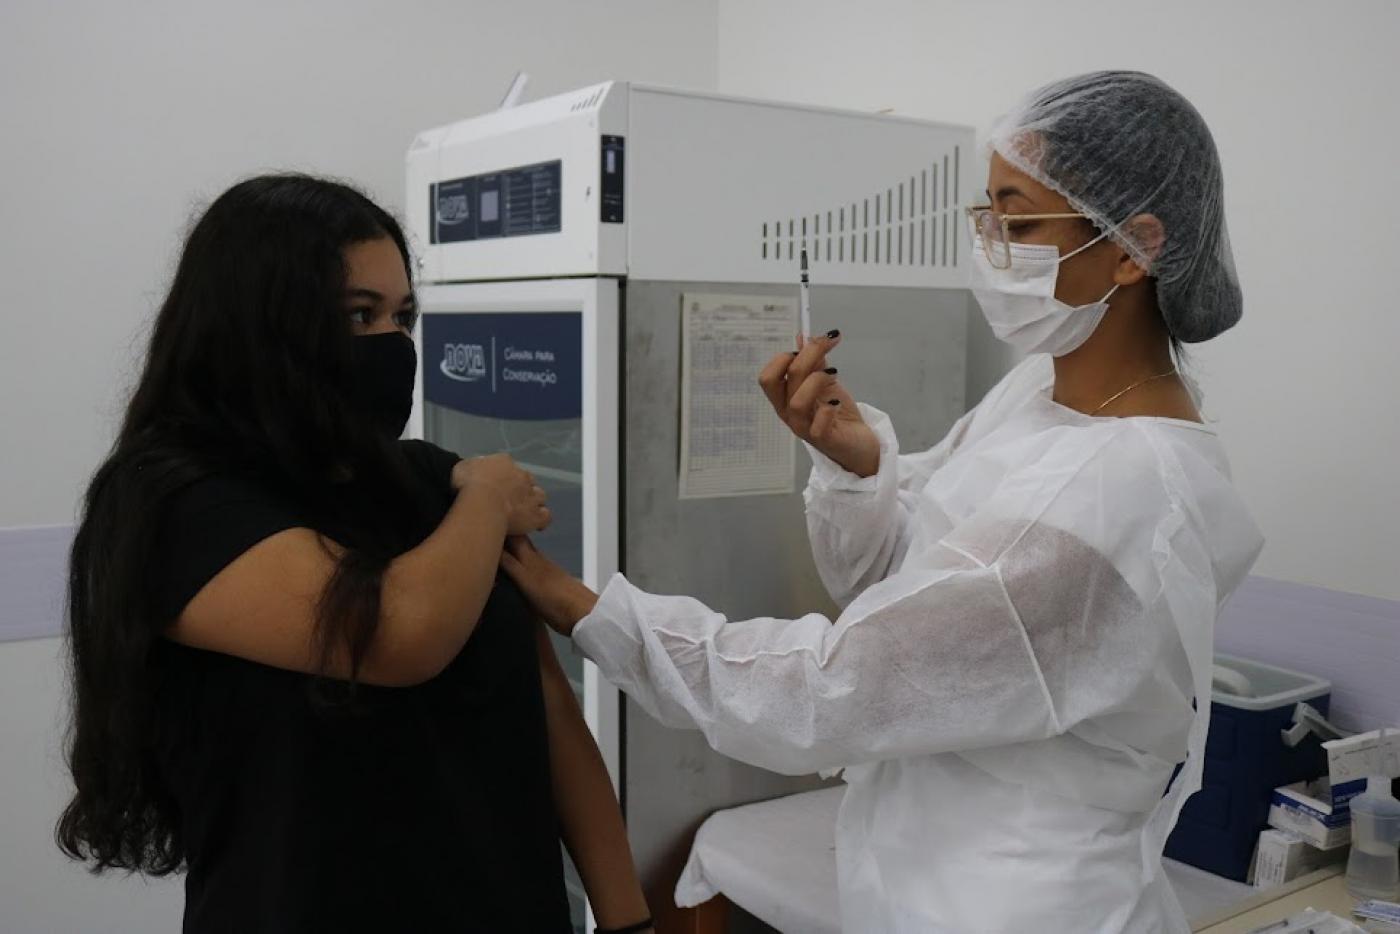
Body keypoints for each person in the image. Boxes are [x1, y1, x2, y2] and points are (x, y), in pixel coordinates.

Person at [499, 71, 1265, 933]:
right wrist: (858, 469)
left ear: (1134, 247)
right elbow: (908, 594)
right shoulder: (1036, 402)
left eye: (1016, 222)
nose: (990, 248)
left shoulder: (1122, 490)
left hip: (1017, 902)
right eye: (987, 217)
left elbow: (843, 685)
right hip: (917, 874)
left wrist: (595, 613)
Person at [57, 174, 652, 934]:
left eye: (402, 315)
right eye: (356, 316)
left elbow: (546, 708)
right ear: (257, 326)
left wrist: (628, 919)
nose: (390, 345)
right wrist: (490, 497)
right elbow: (397, 635)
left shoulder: (431, 484)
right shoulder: (174, 507)